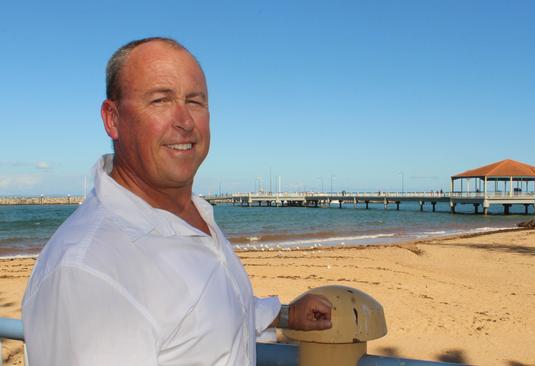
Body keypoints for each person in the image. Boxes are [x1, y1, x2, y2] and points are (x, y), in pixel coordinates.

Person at [22, 37, 332, 366]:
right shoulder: (89, 273)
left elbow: (198, 314)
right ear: (113, 119)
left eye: (195, 102)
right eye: (160, 100)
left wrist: (283, 315)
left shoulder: (190, 214)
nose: (184, 121)